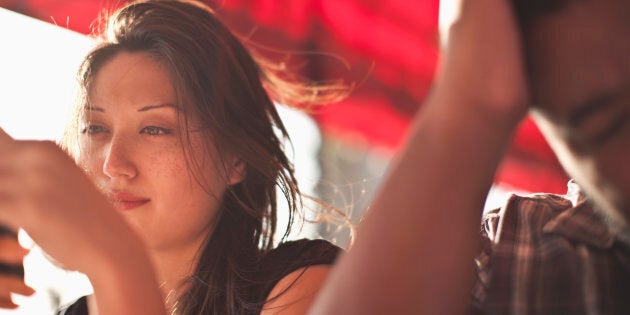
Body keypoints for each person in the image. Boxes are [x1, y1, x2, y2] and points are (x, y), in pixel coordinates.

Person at [0, 0, 343, 314]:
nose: (113, 164)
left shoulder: (301, 287)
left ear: (235, 158)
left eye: (155, 129)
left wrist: (115, 260)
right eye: (95, 129)